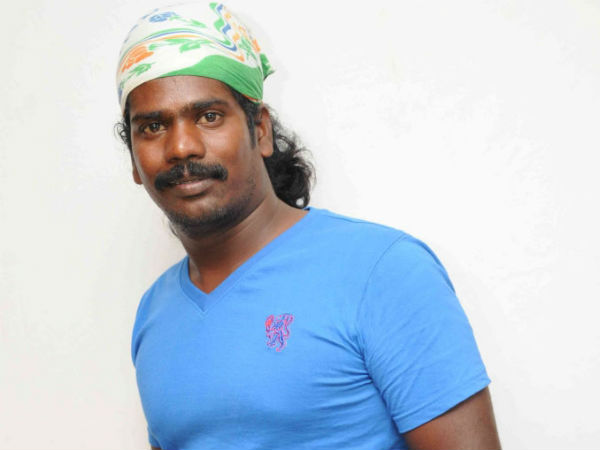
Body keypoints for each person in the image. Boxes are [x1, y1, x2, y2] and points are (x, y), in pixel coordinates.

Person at [115, 3, 501, 450]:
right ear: (134, 160)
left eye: (209, 116)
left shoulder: (382, 271)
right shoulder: (155, 313)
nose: (181, 146)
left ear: (260, 130)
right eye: (153, 126)